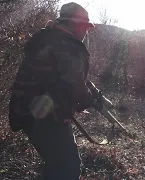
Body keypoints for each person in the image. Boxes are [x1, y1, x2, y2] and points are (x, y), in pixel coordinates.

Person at [8, 2, 99, 180]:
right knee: (68, 168)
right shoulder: (67, 46)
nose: (85, 32)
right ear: (74, 24)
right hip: (46, 117)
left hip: (27, 112)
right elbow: (76, 86)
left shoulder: (48, 37)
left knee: (56, 165)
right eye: (84, 27)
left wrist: (90, 93)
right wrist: (91, 100)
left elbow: (65, 78)